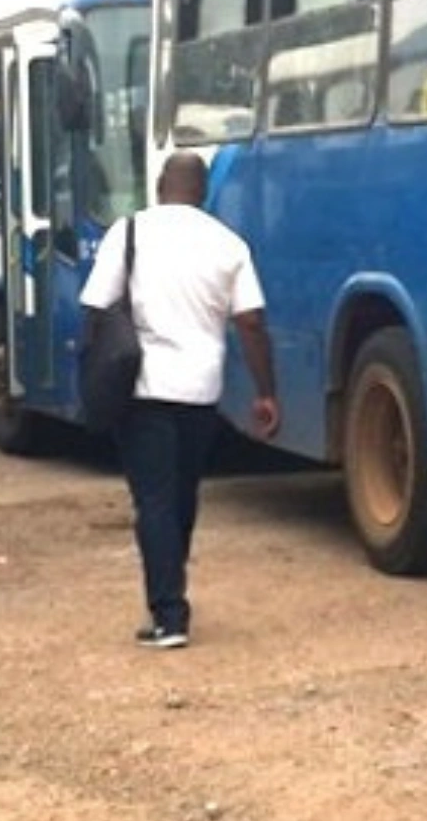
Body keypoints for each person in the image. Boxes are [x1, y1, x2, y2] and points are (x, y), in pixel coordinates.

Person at [78, 149, 279, 649]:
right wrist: (266, 392)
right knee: (182, 494)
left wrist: (97, 373)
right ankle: (173, 590)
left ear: (160, 185)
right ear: (204, 191)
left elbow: (95, 309)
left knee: (154, 500)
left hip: (144, 389)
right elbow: (251, 322)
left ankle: (169, 615)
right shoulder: (228, 243)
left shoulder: (127, 233)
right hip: (201, 390)